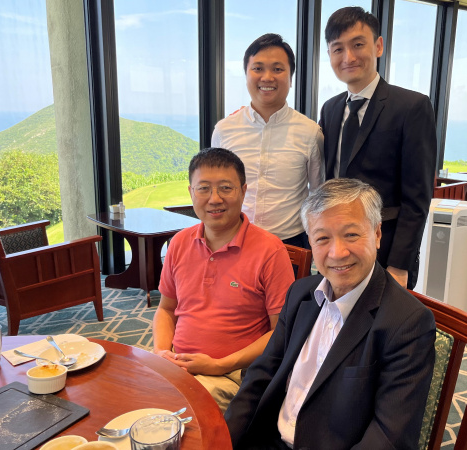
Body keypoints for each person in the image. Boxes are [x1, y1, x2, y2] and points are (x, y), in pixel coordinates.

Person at [225, 178, 436, 449]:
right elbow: (261, 375)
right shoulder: (301, 294)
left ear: (377, 234)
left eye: (351, 234)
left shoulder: (407, 323)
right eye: (323, 238)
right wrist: (223, 439)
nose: (337, 253)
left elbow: (388, 437)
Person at [152, 148, 295, 413]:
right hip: (178, 363)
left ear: (243, 190)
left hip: (234, 374)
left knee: (175, 412)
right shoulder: (180, 243)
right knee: (127, 392)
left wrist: (219, 365)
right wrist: (161, 353)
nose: (214, 199)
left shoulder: (269, 251)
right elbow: (166, 309)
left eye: (225, 188)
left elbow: (281, 332)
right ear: (191, 193)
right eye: (203, 188)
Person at [319, 7, 438, 290]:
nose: (348, 57)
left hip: (385, 250)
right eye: (338, 49)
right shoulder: (331, 109)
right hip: (337, 250)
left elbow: (417, 198)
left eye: (358, 45)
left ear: (378, 46)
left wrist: (399, 264)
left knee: (385, 331)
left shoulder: (411, 107)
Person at [212, 33, 324, 249]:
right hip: (234, 240)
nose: (267, 77)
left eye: (278, 69)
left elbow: (317, 193)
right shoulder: (224, 130)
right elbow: (216, 188)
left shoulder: (310, 132)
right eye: (258, 68)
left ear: (291, 78)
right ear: (246, 74)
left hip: (290, 244)